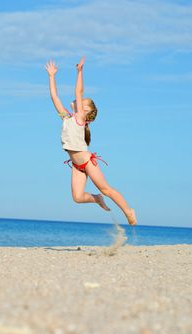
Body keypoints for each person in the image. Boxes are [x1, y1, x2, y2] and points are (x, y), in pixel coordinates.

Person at [45, 57, 137, 225]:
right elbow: (54, 97)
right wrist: (51, 76)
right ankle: (97, 199)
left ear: (85, 110)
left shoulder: (80, 117)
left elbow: (78, 92)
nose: (78, 101)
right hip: (77, 165)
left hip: (87, 162)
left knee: (106, 188)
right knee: (78, 197)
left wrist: (80, 71)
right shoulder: (66, 117)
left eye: (82, 103)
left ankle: (128, 211)